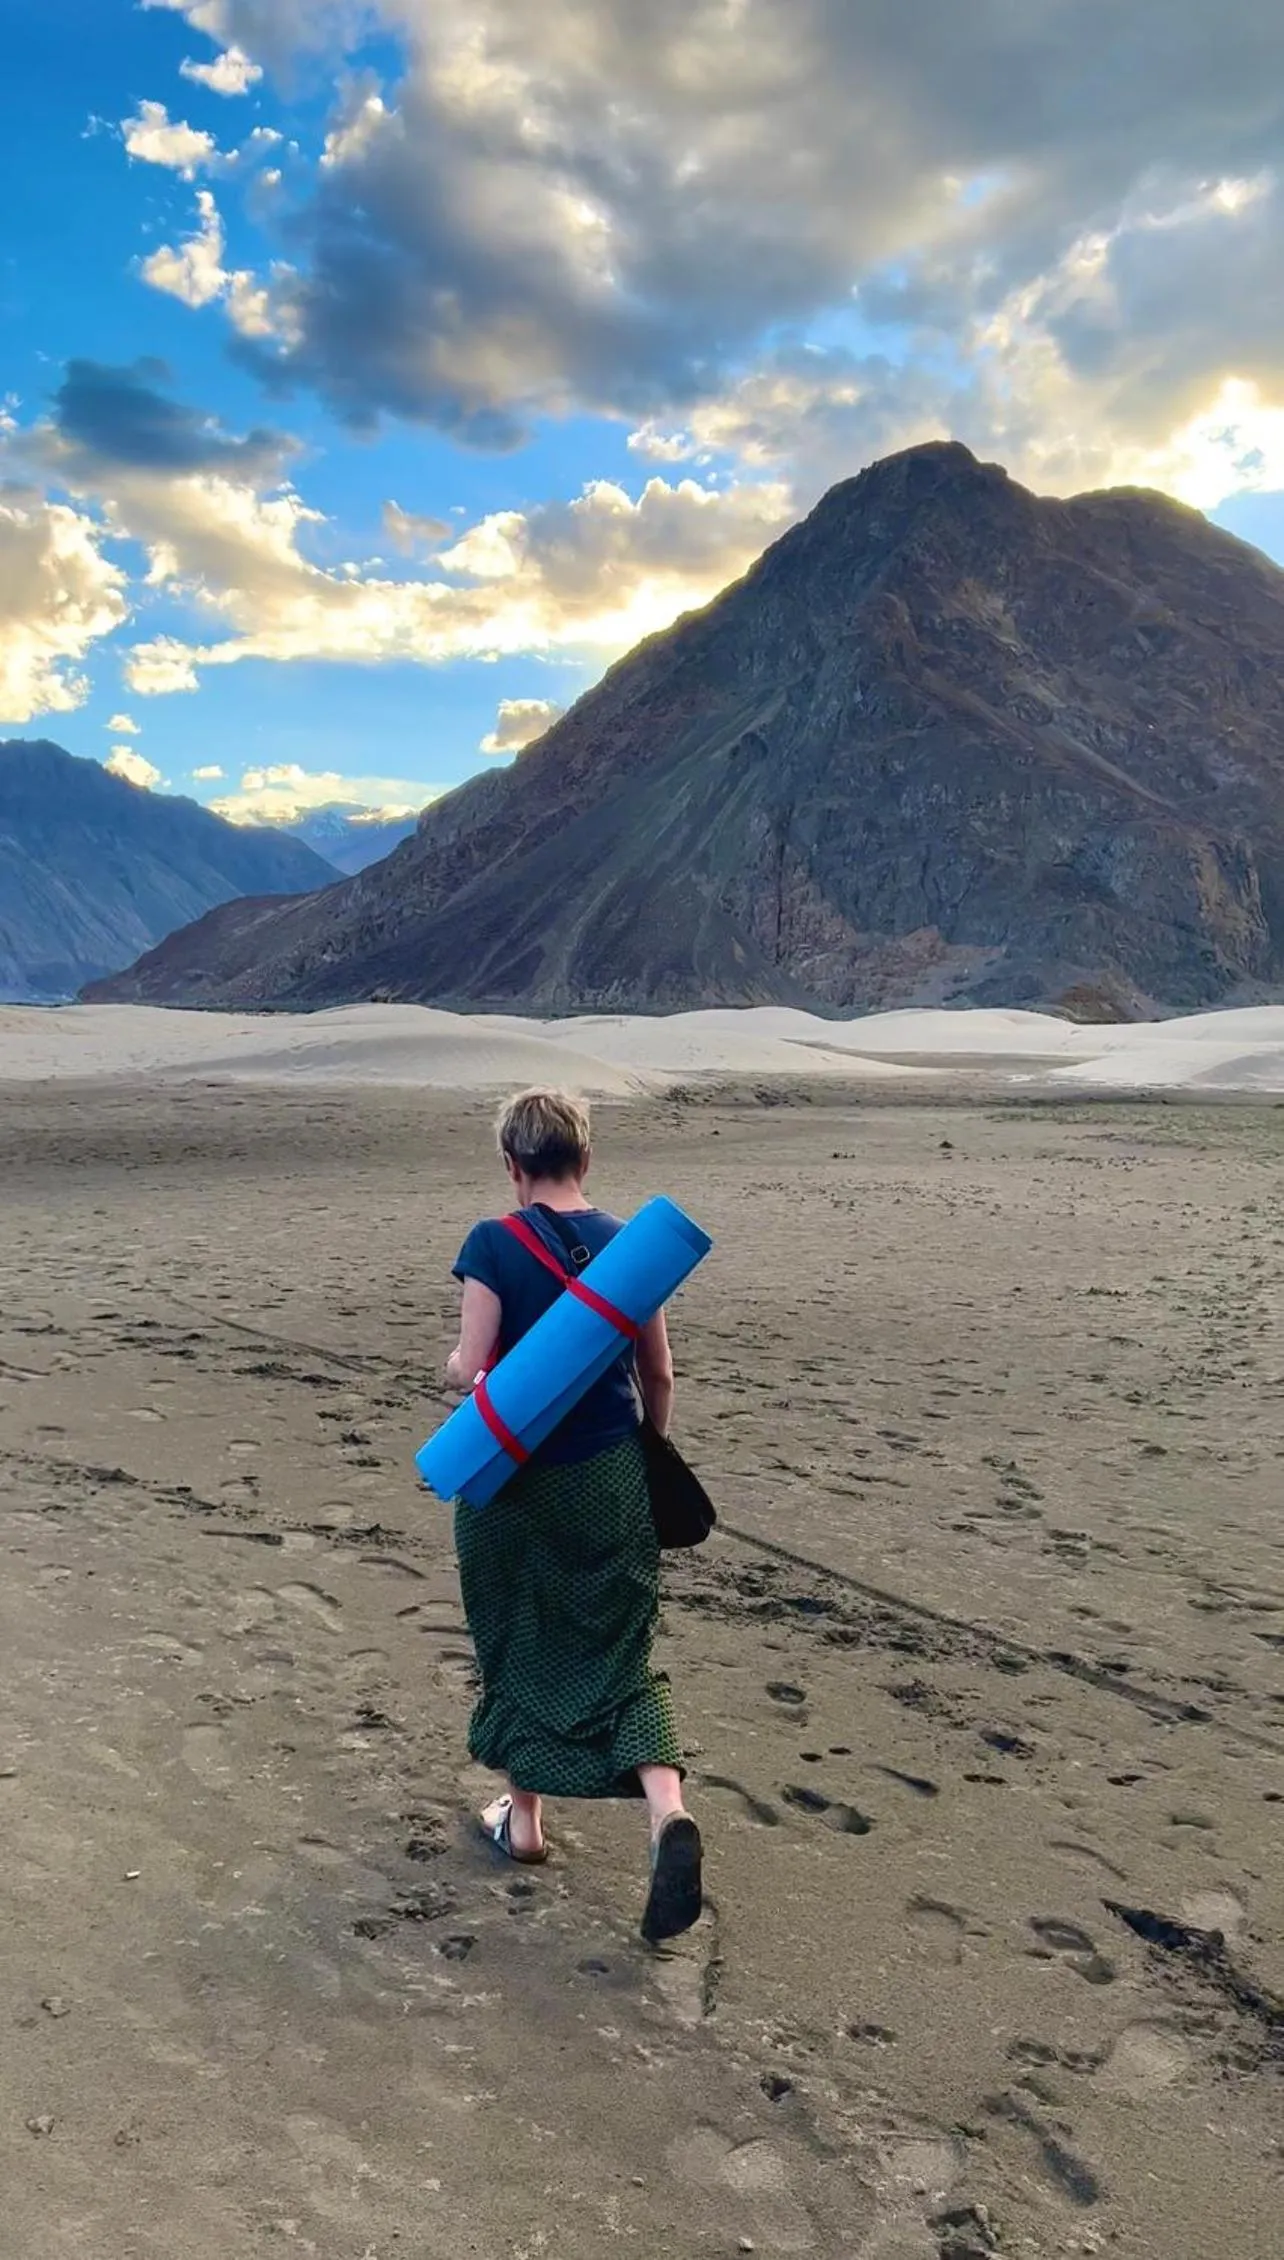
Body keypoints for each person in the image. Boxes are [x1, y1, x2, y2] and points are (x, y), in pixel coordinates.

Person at [445, 1088, 703, 1944]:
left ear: (512, 1167)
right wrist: (646, 1457)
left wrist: (461, 1368)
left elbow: (470, 1365)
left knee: (517, 1639)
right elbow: (657, 1374)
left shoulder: (490, 1242)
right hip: (607, 1476)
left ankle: (523, 1825)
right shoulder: (633, 1247)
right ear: (586, 1160)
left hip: (513, 1483)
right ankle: (667, 1814)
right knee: (619, 1648)